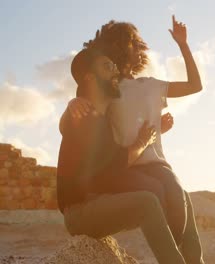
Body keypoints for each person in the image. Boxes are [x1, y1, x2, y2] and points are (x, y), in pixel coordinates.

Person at [60, 15, 204, 263]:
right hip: (113, 180)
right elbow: (76, 127)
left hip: (133, 174)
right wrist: (72, 103)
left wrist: (183, 44)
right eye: (132, 44)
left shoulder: (135, 91)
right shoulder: (98, 103)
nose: (139, 49)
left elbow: (193, 86)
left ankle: (192, 259)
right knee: (154, 195)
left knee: (179, 195)